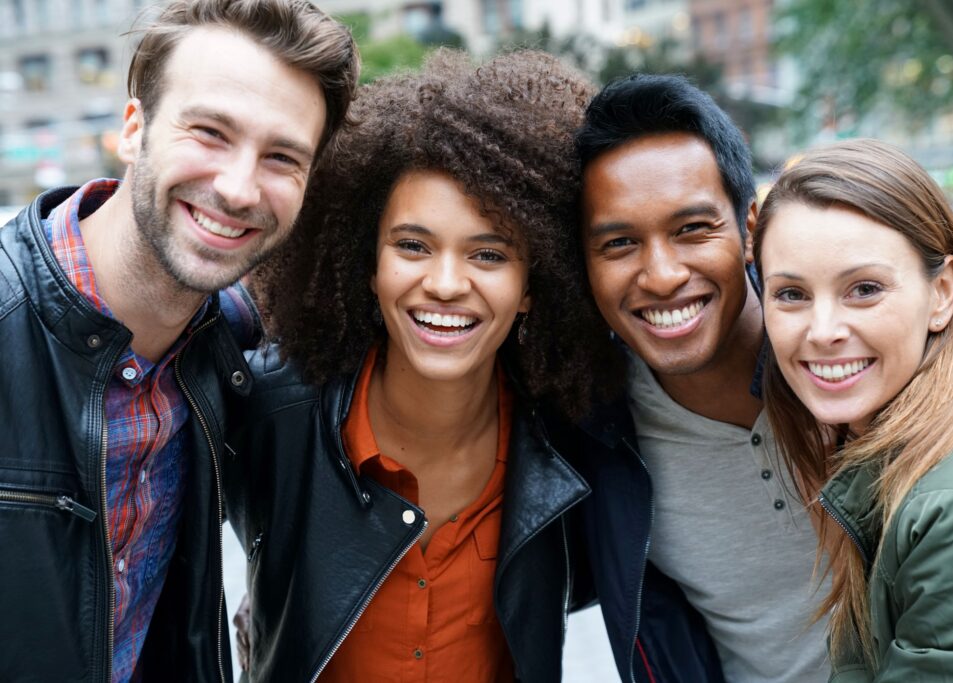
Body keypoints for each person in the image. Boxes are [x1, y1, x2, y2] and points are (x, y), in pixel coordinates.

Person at [567, 74, 953, 683]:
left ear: (748, 229)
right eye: (619, 243)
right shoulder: (590, 432)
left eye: (692, 229)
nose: (661, 274)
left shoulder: (884, 357)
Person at [222, 49, 615, 682]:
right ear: (368, 264)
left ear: (534, 285)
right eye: (412, 246)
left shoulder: (571, 441)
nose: (446, 283)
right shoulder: (270, 412)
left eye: (488, 255)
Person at [0, 1, 357, 680]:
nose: (238, 186)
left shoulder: (232, 346)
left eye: (283, 156)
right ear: (134, 128)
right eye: (211, 132)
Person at [753, 139, 953, 681]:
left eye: (864, 289)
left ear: (942, 292)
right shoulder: (892, 444)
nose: (823, 330)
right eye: (791, 295)